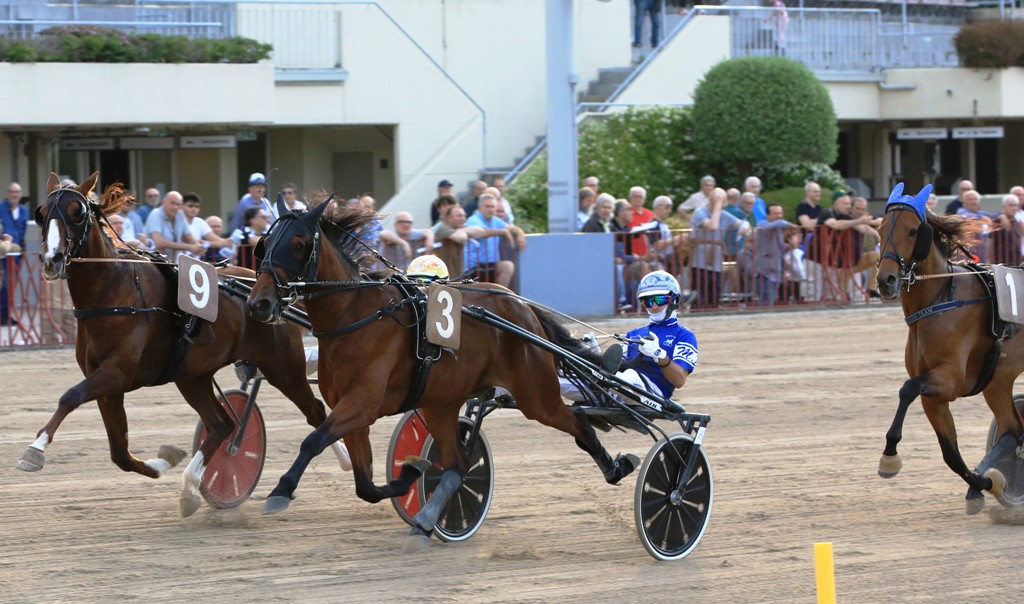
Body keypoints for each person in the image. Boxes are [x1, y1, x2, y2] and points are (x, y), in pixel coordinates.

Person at [560, 271, 697, 406]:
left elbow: (679, 381)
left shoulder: (684, 335)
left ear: (675, 299)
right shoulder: (634, 333)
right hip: (618, 389)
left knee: (629, 376)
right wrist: (593, 353)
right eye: (648, 301)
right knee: (560, 378)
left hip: (652, 393)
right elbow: (616, 366)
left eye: (660, 300)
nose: (654, 306)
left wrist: (659, 355)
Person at [690, 187, 750, 308]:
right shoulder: (700, 212)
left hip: (716, 263)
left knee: (714, 297)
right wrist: (717, 205)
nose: (722, 204)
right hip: (700, 262)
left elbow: (743, 223)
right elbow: (713, 226)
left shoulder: (723, 214)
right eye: (719, 200)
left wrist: (745, 227)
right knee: (700, 298)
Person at [465, 194, 517, 287]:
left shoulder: (495, 220)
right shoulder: (473, 220)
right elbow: (482, 232)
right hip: (473, 267)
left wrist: (520, 235)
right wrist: (503, 232)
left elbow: (511, 228)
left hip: (489, 266)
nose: (491, 209)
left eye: (493, 207)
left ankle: (496, 297)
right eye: (487, 206)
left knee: (506, 267)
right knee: (507, 266)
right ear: (480, 207)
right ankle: (499, 298)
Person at [145, 191, 205, 262]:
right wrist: (190, 247)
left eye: (178, 204)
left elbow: (188, 237)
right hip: (153, 263)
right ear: (163, 202)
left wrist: (198, 247)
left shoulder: (180, 214)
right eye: (172, 203)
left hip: (171, 263)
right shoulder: (156, 214)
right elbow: (159, 243)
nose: (175, 207)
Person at [182, 193, 233, 260]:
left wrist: (228, 242)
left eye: (197, 206)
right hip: (176, 261)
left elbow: (216, 239)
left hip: (193, 263)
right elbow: (194, 241)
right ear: (182, 206)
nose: (194, 209)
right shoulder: (177, 222)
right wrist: (220, 244)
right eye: (190, 206)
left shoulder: (199, 222)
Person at [991, 194, 1022, 266]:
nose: (1014, 208)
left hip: (1016, 263)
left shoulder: (1016, 222)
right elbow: (991, 242)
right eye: (1011, 205)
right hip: (1001, 263)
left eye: (1015, 205)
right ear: (1004, 206)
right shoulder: (998, 221)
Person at [1, 182, 28, 249]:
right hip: (2, 250)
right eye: (12, 192)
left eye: (17, 192)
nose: (14, 195)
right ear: (8, 194)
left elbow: (24, 230)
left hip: (17, 250)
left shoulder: (24, 211)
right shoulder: (1, 208)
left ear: (21, 194)